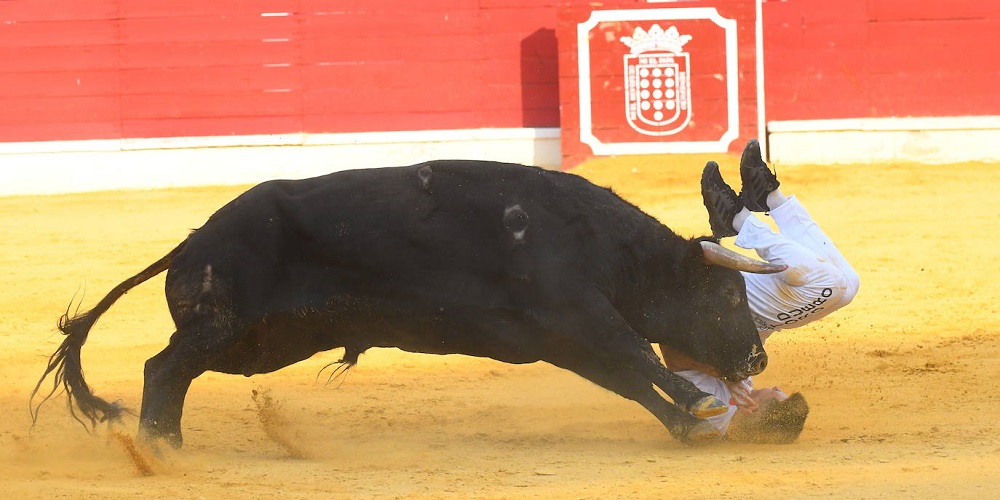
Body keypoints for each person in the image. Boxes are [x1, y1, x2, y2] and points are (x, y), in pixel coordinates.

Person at [660, 138, 860, 443]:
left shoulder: (716, 413)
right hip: (748, 321)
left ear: (754, 411)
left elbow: (671, 353)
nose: (777, 387)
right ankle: (767, 200)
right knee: (848, 287)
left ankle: (739, 218)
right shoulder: (739, 403)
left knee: (830, 285)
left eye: (776, 394)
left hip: (714, 304)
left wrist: (725, 372)